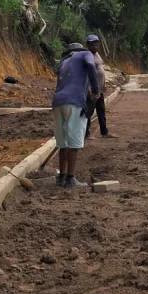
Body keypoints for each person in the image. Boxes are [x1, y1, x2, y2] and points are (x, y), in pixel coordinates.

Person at [52, 43, 99, 188]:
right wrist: (96, 89)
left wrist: (87, 90)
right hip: (74, 103)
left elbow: (67, 82)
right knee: (74, 142)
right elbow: (91, 66)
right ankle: (71, 178)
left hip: (58, 102)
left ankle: (61, 177)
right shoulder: (85, 55)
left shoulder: (64, 62)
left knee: (63, 142)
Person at [84, 34, 117, 139]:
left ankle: (104, 132)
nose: (95, 46)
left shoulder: (97, 55)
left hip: (100, 89)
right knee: (89, 112)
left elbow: (101, 70)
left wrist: (104, 83)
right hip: (92, 89)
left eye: (96, 44)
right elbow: (85, 74)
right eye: (92, 44)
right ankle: (86, 134)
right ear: (88, 45)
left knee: (101, 111)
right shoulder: (86, 56)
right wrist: (88, 88)